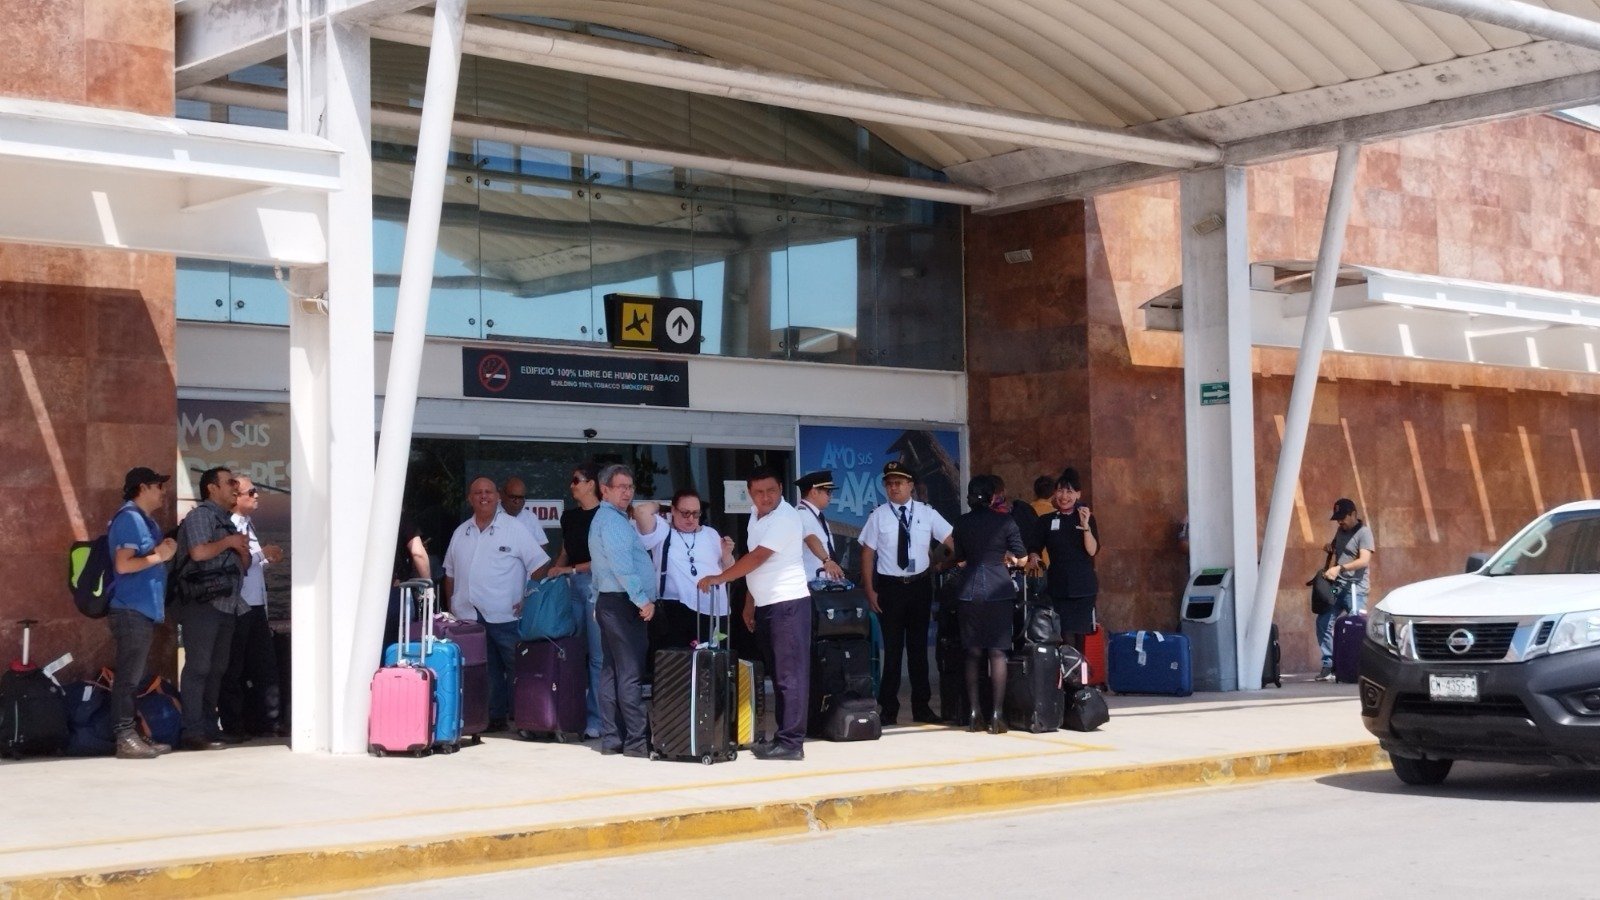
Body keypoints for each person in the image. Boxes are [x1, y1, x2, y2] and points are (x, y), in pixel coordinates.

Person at [698, 466, 811, 761]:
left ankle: (791, 743)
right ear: (750, 493)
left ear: (781, 489)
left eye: (771, 490)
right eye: (759, 492)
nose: (766, 497)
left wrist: (720, 578)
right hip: (767, 604)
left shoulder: (785, 517)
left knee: (790, 676)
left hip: (788, 604)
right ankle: (784, 738)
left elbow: (758, 557)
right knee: (780, 674)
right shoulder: (755, 515)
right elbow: (758, 567)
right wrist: (750, 602)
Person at [442, 476, 548, 732]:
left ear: (498, 497)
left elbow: (541, 564)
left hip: (506, 615)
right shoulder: (461, 532)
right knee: (485, 672)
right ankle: (494, 718)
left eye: (488, 492)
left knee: (519, 670)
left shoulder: (514, 528)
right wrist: (452, 605)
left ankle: (528, 720)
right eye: (478, 492)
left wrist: (528, 596)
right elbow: (450, 573)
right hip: (469, 617)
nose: (483, 496)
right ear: (470, 498)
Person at [859, 460, 953, 725]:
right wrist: (869, 589)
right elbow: (867, 554)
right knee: (892, 651)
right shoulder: (878, 516)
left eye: (899, 483)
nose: (893, 488)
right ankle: (888, 709)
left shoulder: (927, 513)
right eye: (889, 484)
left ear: (911, 485)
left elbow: (951, 541)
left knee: (918, 650)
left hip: (919, 587)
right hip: (890, 588)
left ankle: (922, 707)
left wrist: (943, 564)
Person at [175, 466, 251, 751]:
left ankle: (209, 727)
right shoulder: (201, 516)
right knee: (199, 667)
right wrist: (229, 542)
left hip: (227, 605)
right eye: (229, 482)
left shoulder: (227, 521)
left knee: (217, 669)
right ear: (212, 488)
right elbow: (198, 552)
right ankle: (192, 730)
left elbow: (243, 565)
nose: (235, 487)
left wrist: (241, 550)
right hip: (202, 604)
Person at [586, 464, 657, 757]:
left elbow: (598, 569)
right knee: (629, 672)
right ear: (605, 490)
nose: (627, 492)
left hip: (611, 602)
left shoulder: (605, 518)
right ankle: (636, 741)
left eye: (630, 487)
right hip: (623, 604)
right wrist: (642, 600)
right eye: (621, 487)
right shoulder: (613, 523)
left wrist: (596, 600)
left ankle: (613, 738)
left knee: (612, 672)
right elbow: (622, 567)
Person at [107, 467, 178, 759]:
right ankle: (124, 737)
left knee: (133, 677)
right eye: (158, 486)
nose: (163, 492)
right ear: (142, 488)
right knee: (128, 678)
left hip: (140, 610)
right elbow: (123, 565)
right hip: (130, 610)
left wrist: (162, 549)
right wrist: (160, 555)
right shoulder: (130, 519)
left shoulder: (144, 520)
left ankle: (133, 733)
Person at [950, 476, 1025, 734]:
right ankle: (997, 715)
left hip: (968, 592)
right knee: (997, 653)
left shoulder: (961, 523)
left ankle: (974, 714)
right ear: (993, 497)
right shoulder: (1005, 521)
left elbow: (960, 557)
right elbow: (1022, 557)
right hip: (998, 591)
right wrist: (1010, 560)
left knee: (972, 653)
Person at [219, 475, 284, 739]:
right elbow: (238, 563)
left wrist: (266, 558)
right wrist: (262, 554)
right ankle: (235, 724)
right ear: (236, 497)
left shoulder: (248, 524)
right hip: (239, 605)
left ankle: (269, 721)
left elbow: (251, 564)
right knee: (235, 667)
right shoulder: (230, 525)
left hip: (256, 606)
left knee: (264, 665)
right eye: (251, 492)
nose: (257, 496)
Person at [546, 461, 603, 739]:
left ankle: (597, 719)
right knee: (571, 652)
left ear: (591, 484)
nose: (572, 485)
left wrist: (567, 570)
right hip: (572, 586)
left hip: (596, 584)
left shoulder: (606, 515)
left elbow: (604, 560)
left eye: (576, 480)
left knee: (597, 655)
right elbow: (565, 551)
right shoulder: (569, 517)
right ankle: (569, 713)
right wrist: (553, 576)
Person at [636, 488, 735, 638]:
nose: (691, 518)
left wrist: (727, 554)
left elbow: (729, 573)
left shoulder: (711, 534)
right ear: (673, 510)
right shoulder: (663, 530)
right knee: (673, 652)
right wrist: (661, 506)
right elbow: (641, 511)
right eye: (685, 513)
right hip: (674, 606)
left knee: (710, 652)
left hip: (711, 608)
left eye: (696, 513)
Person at [1041, 468, 1099, 653]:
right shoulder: (1046, 520)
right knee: (1065, 634)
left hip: (1083, 587)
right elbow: (1034, 546)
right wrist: (1033, 556)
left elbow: (1092, 550)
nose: (1064, 496)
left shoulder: (1086, 518)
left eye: (1069, 491)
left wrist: (1085, 526)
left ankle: (1078, 671)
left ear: (1078, 494)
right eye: (1060, 490)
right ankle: (1068, 671)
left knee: (1080, 635)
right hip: (1059, 587)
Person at [1316, 498, 1375, 681]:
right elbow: (1338, 548)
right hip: (1337, 587)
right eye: (1337, 518)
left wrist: (1339, 568)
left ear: (1353, 514)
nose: (1340, 521)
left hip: (1356, 590)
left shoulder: (1364, 533)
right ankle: (1329, 664)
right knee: (1323, 621)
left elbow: (1364, 560)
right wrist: (1330, 548)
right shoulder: (1340, 530)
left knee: (1356, 628)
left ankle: (1356, 667)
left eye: (1343, 517)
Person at [795, 470, 845, 584]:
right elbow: (810, 538)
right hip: (810, 582)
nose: (831, 496)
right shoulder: (801, 513)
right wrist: (827, 561)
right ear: (814, 492)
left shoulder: (816, 516)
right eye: (828, 492)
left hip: (822, 582)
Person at [501, 476, 552, 551]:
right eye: (513, 497)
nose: (517, 501)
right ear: (502, 495)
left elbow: (542, 545)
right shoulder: (491, 514)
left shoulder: (530, 517)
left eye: (520, 498)